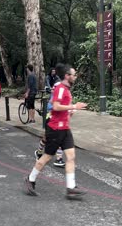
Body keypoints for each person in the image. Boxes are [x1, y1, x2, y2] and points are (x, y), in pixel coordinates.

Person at [24, 64, 88, 199]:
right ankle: (30, 179)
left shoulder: (67, 89)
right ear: (67, 76)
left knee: (71, 157)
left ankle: (71, 188)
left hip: (65, 128)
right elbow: (56, 106)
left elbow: (62, 109)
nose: (75, 77)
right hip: (55, 129)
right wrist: (73, 106)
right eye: (73, 74)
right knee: (47, 157)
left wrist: (71, 111)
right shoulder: (60, 88)